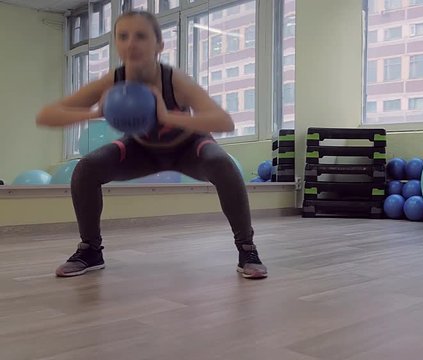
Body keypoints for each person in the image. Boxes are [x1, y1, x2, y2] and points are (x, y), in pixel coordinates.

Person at [36, 10, 267, 279]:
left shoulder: (174, 80)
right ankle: (90, 250)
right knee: (87, 168)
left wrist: (166, 115)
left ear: (159, 45)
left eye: (141, 36)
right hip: (142, 150)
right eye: (123, 36)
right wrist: (96, 112)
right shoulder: (114, 81)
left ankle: (247, 250)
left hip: (187, 148)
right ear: (117, 44)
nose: (131, 43)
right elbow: (47, 115)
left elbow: (223, 122)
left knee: (222, 164)